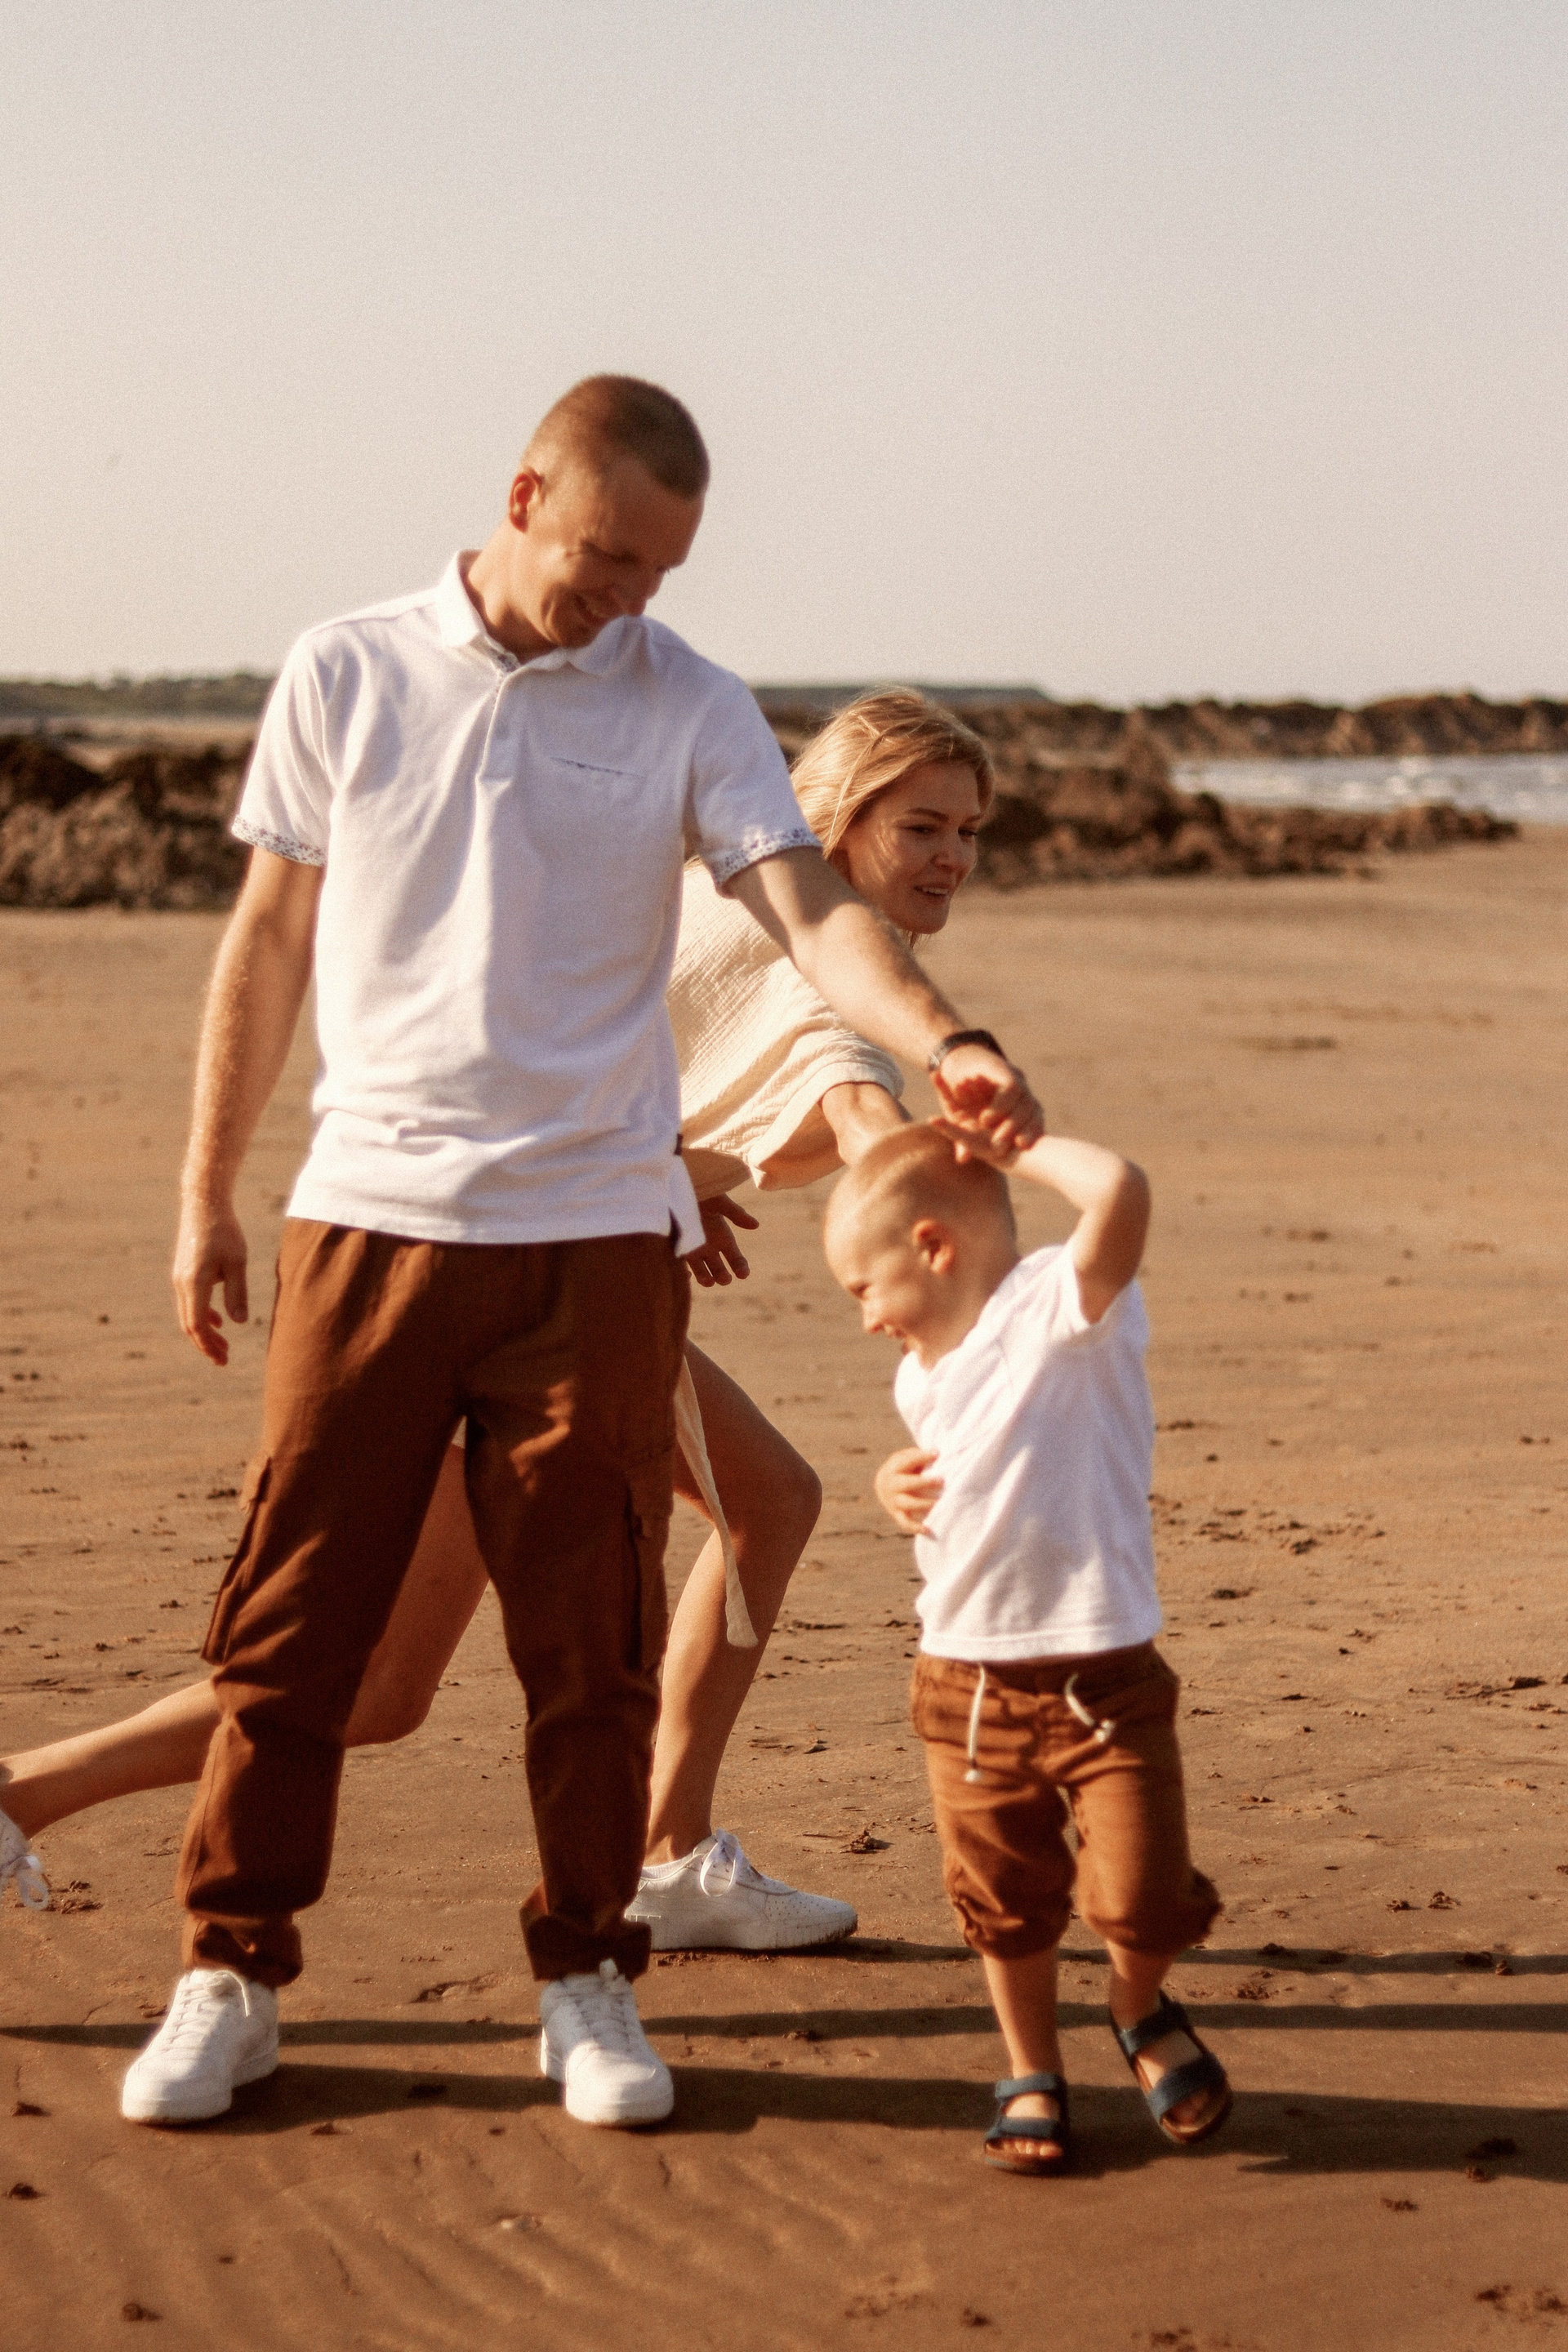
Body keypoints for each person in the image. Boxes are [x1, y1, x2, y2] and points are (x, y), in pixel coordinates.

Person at [45, 376, 1044, 2136]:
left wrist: (947, 1034)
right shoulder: (348, 669)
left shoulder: (689, 702)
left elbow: (809, 912)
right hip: (370, 1223)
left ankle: (589, 1979)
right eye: (608, 558)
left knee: (589, 1651)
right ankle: (230, 1974)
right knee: (297, 1639)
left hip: (594, 1244)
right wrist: (205, 1192)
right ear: (523, 497)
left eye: (664, 570)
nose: (630, 597)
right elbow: (265, 943)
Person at [1, 690, 998, 1956]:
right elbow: (866, 1128)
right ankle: (660, 1856)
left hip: (483, 1254)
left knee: (428, 1663)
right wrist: (981, 1317)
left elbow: (615, 1048)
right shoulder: (822, 971)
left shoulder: (708, 887)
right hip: (532, 1294)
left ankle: (665, 1852)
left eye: (971, 832)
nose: (953, 858)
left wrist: (673, 1179)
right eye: (923, 827)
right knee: (424, 1663)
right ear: (842, 817)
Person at [822, 1123, 1230, 2175]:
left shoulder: (1061, 1311)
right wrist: (891, 1485)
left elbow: (1121, 1189)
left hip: (1105, 1682)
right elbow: (959, 1475)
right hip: (965, 1685)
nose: (865, 1318)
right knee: (1003, 1905)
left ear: (933, 1247)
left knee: (1143, 1899)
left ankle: (1136, 2004)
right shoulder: (920, 1374)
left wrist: (1012, 1143)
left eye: (865, 1289)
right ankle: (1031, 2068)